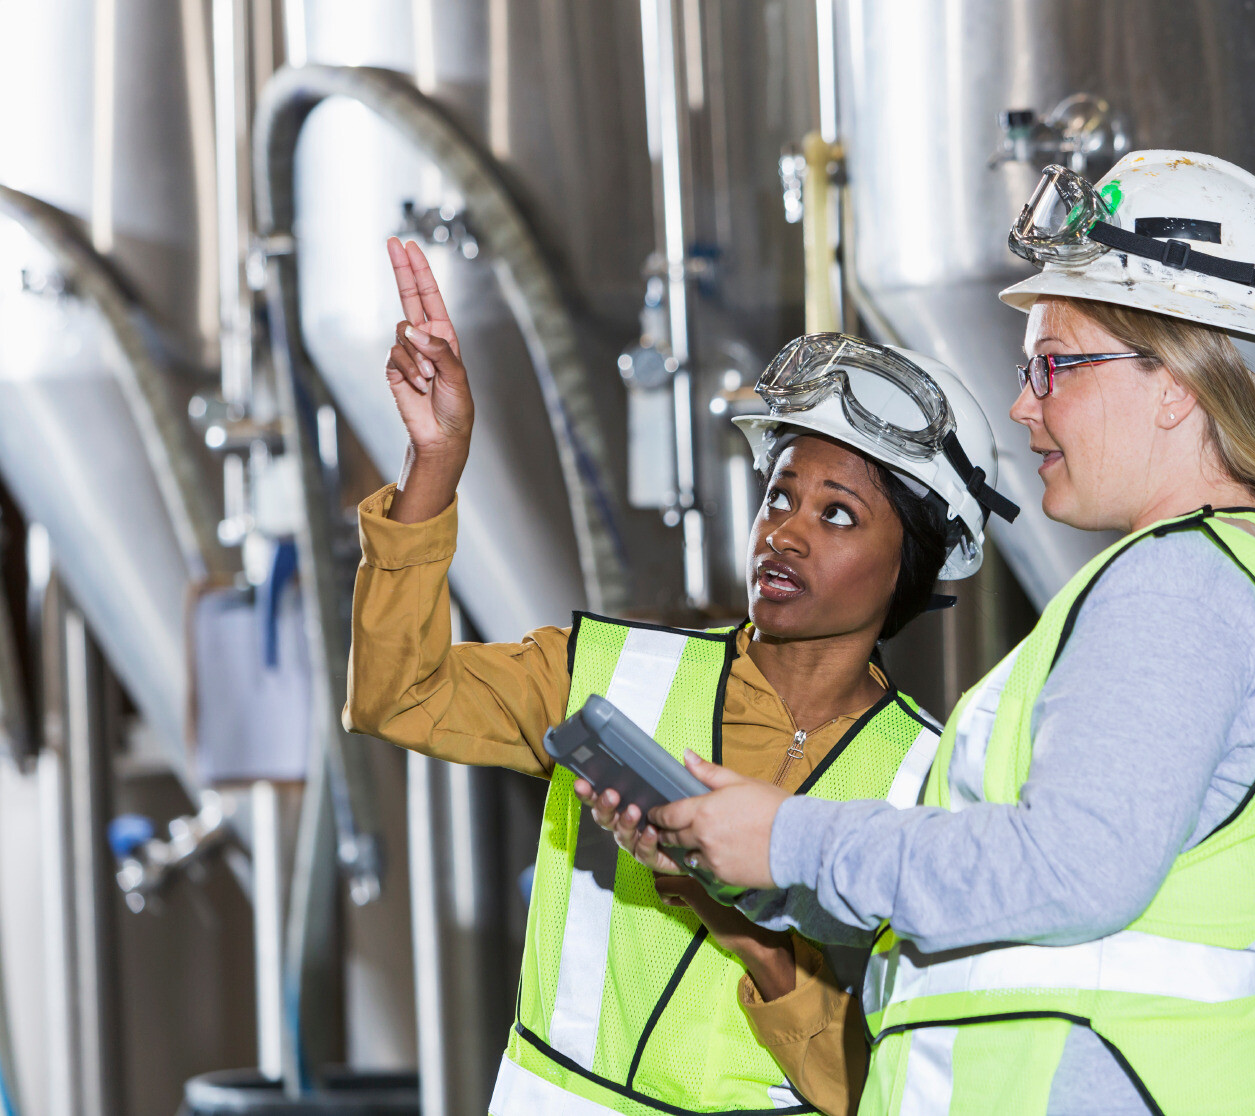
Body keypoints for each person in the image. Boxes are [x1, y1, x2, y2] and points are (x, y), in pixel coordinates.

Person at [643, 151, 1255, 1115]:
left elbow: (1070, 872)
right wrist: (747, 857)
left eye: (1054, 365)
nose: (1021, 405)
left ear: (1176, 385)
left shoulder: (1179, 583)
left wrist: (790, 839)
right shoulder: (1216, 575)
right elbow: (1012, 916)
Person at [343, 240, 1018, 1115]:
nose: (785, 534)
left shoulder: (933, 786)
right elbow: (399, 695)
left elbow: (888, 1092)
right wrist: (434, 463)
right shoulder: (612, 673)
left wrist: (743, 924)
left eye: (837, 514)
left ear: (911, 566)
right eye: (779, 496)